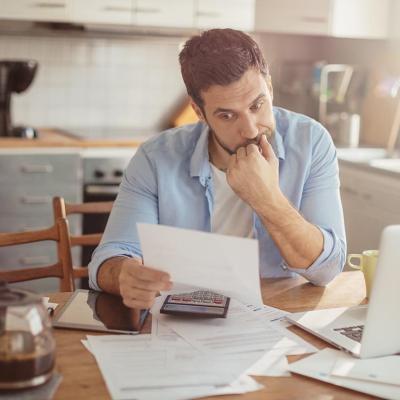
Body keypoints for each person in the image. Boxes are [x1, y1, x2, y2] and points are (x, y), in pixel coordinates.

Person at [88, 28, 346, 310]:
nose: (249, 128)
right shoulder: (155, 158)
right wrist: (123, 275)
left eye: (257, 105)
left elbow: (327, 269)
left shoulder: (311, 142)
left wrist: (267, 198)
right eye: (226, 115)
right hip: (183, 321)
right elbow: (108, 260)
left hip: (281, 317)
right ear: (199, 112)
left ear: (270, 88)